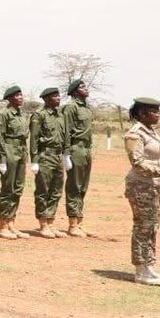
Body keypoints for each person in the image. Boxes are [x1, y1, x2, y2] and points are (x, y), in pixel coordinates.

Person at [124, 97, 160, 285]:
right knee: (143, 227)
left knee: (153, 227)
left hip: (155, 186)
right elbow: (138, 163)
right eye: (153, 111)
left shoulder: (151, 132)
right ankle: (141, 270)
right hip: (141, 186)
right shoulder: (135, 134)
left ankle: (149, 266)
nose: (157, 114)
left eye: (158, 111)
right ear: (141, 113)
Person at [0, 85, 30, 239]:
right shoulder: (4, 114)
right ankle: (2, 225)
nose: (20, 97)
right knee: (8, 189)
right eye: (16, 95)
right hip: (9, 151)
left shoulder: (22, 114)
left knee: (17, 188)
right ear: (9, 98)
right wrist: (1, 159)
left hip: (21, 151)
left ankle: (11, 223)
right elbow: (0, 138)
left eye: (21, 94)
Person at [31, 88, 67, 238]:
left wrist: (66, 155)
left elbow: (65, 136)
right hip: (45, 156)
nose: (58, 98)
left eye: (58, 96)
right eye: (54, 96)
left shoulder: (60, 115)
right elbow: (34, 138)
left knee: (56, 190)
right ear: (46, 99)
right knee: (43, 191)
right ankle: (43, 224)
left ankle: (51, 222)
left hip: (58, 156)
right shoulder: (40, 115)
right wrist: (34, 160)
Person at [62, 79, 96, 237]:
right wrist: (66, 153)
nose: (85, 88)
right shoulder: (71, 107)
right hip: (76, 149)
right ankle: (72, 224)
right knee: (74, 186)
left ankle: (80, 222)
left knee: (83, 187)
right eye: (81, 86)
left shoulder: (87, 108)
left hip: (86, 149)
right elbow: (67, 131)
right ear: (75, 91)